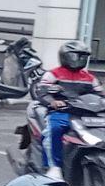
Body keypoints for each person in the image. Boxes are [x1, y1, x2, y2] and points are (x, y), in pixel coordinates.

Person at [35, 40, 99, 178]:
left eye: (83, 56)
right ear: (65, 56)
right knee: (54, 130)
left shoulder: (90, 78)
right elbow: (42, 92)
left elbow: (100, 95)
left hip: (84, 113)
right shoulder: (53, 74)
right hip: (62, 112)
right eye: (76, 56)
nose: (80, 59)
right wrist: (53, 102)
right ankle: (54, 167)